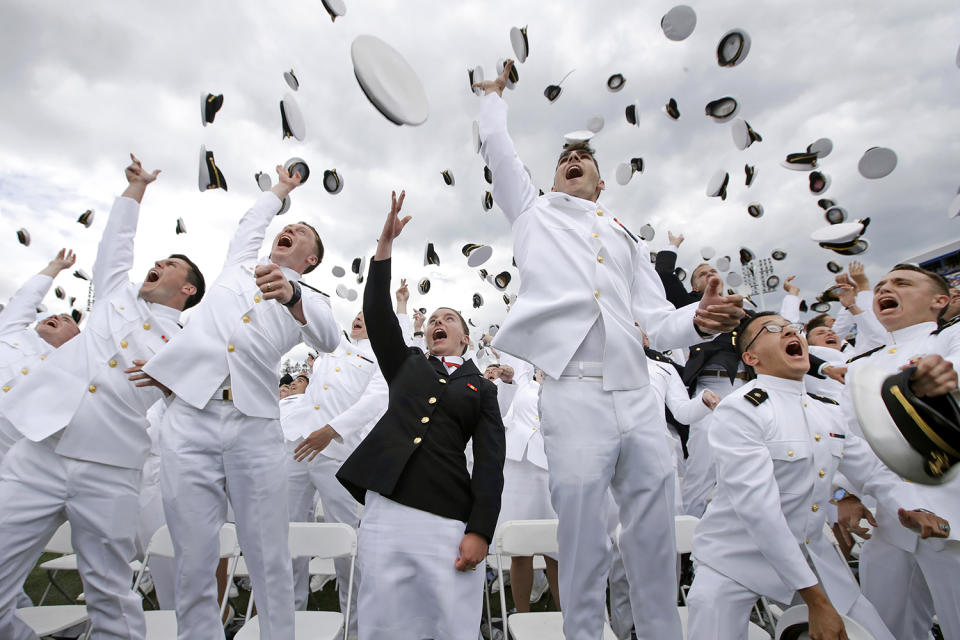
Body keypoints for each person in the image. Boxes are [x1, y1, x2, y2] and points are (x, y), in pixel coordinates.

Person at [475, 62, 744, 639]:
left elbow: (657, 322)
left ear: (601, 182)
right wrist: (493, 99)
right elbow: (498, 151)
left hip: (637, 393)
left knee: (653, 536)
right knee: (582, 537)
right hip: (571, 390)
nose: (573, 161)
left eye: (584, 159)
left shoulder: (626, 238)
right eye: (563, 160)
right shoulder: (531, 212)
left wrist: (699, 319)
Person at [0, 154, 205, 640]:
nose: (157, 265)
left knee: (110, 596)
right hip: (40, 452)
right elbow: (116, 245)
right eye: (158, 261)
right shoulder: (114, 294)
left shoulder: (186, 343)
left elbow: (204, 390)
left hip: (108, 469)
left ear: (188, 288)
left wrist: (172, 382)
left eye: (170, 265)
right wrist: (135, 190)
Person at [134, 164, 340, 639]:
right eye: (289, 226)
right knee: (193, 553)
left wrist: (291, 297)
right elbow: (251, 223)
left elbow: (328, 339)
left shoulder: (311, 296)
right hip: (189, 418)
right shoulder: (238, 265)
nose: (290, 230)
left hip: (253, 425)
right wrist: (280, 192)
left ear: (310, 259)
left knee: (268, 551)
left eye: (302, 233)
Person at [687, 311, 950, 640]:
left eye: (793, 328)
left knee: (875, 634)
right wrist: (815, 600)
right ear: (751, 357)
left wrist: (912, 507)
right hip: (735, 558)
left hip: (811, 554)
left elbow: (873, 472)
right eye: (772, 330)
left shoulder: (827, 409)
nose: (789, 332)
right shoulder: (741, 409)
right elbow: (759, 510)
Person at [336, 191, 505, 640]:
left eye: (449, 318)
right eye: (433, 317)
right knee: (383, 620)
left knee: (449, 621)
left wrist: (481, 531)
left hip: (448, 512)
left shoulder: (482, 388)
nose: (438, 321)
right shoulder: (407, 364)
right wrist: (384, 245)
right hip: (386, 506)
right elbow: (376, 312)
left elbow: (490, 464)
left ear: (466, 339)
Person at [841, 264, 960, 639]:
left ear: (939, 301)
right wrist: (847, 493)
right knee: (887, 626)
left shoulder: (951, 338)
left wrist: (926, 380)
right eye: (880, 286)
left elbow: (949, 378)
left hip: (950, 511)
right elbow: (848, 436)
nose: (885, 290)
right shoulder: (860, 366)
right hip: (890, 516)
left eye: (902, 283)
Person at [286, 311, 387, 636]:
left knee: (346, 543)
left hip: (339, 452)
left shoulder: (382, 354)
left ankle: (354, 628)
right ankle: (289, 619)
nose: (360, 317)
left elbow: (375, 399)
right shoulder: (331, 343)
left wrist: (332, 430)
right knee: (287, 534)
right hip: (298, 444)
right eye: (357, 314)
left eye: (366, 315)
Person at [0, 249, 80, 460]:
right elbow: (25, 298)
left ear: (76, 339)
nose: (56, 316)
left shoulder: (69, 371)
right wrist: (55, 267)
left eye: (66, 320)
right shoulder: (12, 330)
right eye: (57, 315)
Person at [496, 366, 560, 612]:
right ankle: (522, 615)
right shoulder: (525, 383)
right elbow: (503, 408)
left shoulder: (568, 384)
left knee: (556, 552)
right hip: (519, 471)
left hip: (551, 469)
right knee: (520, 549)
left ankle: (566, 619)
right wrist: (509, 382)